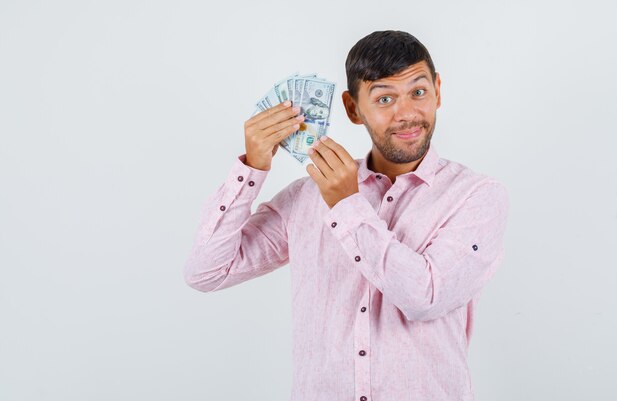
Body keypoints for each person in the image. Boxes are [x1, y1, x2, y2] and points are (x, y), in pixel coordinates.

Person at [184, 30, 509, 401]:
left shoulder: (476, 196)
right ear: (353, 109)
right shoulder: (309, 195)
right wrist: (254, 168)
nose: (407, 114)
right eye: (385, 98)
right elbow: (207, 272)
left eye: (419, 92)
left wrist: (346, 204)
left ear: (437, 90)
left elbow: (426, 297)